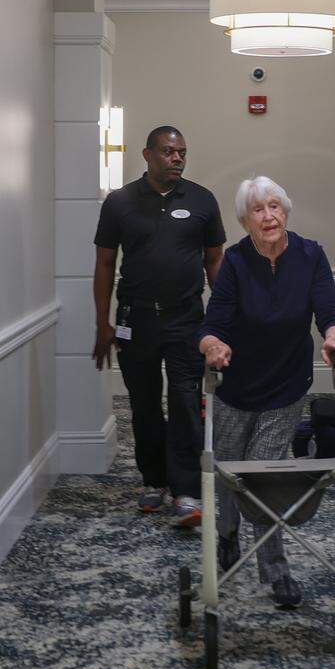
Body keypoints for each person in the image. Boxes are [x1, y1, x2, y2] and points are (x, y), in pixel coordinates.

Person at [199, 176, 335, 608]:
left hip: (285, 387)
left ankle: (275, 569)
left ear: (285, 210)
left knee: (262, 479)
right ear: (245, 220)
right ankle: (227, 535)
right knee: (230, 473)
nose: (268, 216)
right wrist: (212, 345)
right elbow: (213, 324)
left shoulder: (310, 256)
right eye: (257, 210)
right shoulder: (234, 262)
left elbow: (330, 312)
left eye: (274, 206)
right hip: (235, 385)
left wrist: (332, 336)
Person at [92, 125, 225, 526]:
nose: (177, 159)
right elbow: (104, 264)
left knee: (186, 401)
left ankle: (185, 490)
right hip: (136, 318)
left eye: (182, 152)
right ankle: (155, 480)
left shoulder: (202, 200)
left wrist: (220, 321)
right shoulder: (120, 202)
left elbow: (215, 260)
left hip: (186, 316)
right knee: (144, 403)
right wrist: (103, 322)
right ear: (148, 155)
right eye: (168, 152)